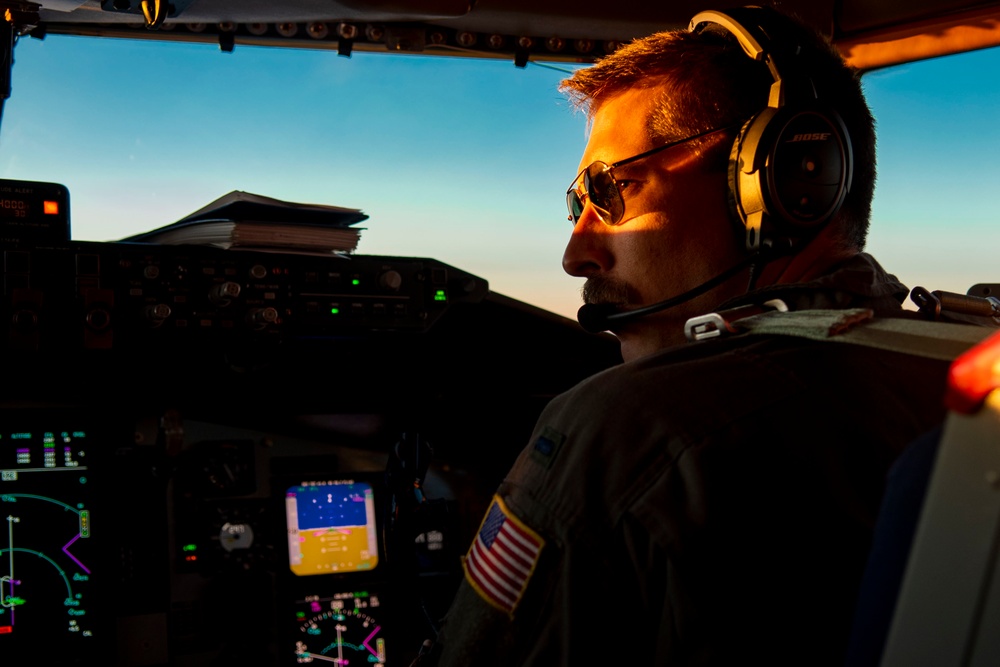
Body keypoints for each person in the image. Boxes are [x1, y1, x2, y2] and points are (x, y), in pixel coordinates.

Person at [418, 6, 963, 665]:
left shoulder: (626, 432)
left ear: (784, 179)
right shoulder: (958, 376)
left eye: (611, 189)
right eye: (577, 203)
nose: (575, 252)